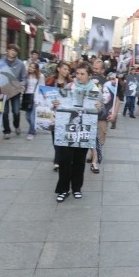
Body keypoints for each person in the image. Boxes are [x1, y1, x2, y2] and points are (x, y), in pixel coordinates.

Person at [54, 63, 97, 201]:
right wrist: (56, 104)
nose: (79, 76)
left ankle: (77, 188)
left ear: (89, 75)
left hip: (84, 130)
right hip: (67, 129)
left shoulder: (95, 90)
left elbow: (99, 110)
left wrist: (99, 106)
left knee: (79, 160)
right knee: (65, 159)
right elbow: (58, 104)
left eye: (82, 74)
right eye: (77, 73)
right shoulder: (69, 87)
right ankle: (63, 189)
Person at [46, 61, 73, 169]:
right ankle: (58, 157)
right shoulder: (51, 81)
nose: (66, 71)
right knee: (54, 137)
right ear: (59, 69)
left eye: (68, 69)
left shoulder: (70, 83)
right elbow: (44, 95)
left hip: (66, 114)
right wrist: (51, 101)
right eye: (65, 69)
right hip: (53, 113)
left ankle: (58, 159)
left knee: (62, 136)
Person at [0, 44, 27, 139]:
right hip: (4, 91)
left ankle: (16, 126)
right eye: (11, 50)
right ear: (7, 50)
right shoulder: (1, 63)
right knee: (5, 112)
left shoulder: (20, 64)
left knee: (16, 111)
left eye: (15, 51)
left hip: (15, 91)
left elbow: (24, 78)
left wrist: (22, 84)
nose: (13, 52)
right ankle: (6, 131)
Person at [23, 61, 45, 140]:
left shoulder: (40, 76)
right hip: (27, 97)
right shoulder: (26, 76)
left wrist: (40, 100)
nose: (31, 69)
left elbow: (42, 87)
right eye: (30, 67)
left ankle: (31, 132)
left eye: (33, 67)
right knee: (27, 117)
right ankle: (34, 127)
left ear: (36, 69)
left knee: (32, 117)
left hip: (35, 98)